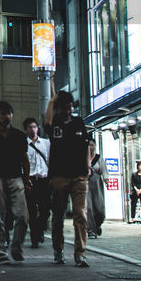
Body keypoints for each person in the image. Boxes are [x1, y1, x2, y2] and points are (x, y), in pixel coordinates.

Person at [45, 91, 91, 267]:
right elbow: (47, 123)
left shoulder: (79, 123)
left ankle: (80, 253)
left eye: (70, 106)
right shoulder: (54, 122)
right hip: (59, 176)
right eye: (64, 105)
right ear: (59, 107)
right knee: (58, 214)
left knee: (80, 214)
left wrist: (87, 166)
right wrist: (51, 101)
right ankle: (58, 250)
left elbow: (87, 145)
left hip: (79, 175)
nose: (68, 109)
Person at [0, 101, 30, 264]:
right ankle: (1, 252)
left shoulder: (19, 136)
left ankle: (16, 248)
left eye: (9, 113)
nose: (6, 116)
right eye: (3, 113)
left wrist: (26, 180)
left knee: (23, 216)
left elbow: (25, 160)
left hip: (16, 178)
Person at [23, 117, 51, 248]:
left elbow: (51, 160)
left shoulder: (46, 143)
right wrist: (25, 180)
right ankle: (35, 237)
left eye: (34, 127)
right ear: (26, 129)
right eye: (30, 127)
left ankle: (38, 231)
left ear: (38, 128)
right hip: (31, 181)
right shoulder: (24, 145)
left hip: (44, 180)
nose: (33, 129)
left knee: (45, 210)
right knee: (32, 211)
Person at [86, 140, 106, 238]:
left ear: (95, 146)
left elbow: (104, 170)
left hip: (97, 183)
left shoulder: (99, 158)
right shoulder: (83, 157)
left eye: (92, 145)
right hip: (86, 183)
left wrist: (106, 179)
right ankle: (90, 230)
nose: (90, 147)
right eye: (89, 145)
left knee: (99, 207)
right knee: (88, 208)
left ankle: (97, 225)